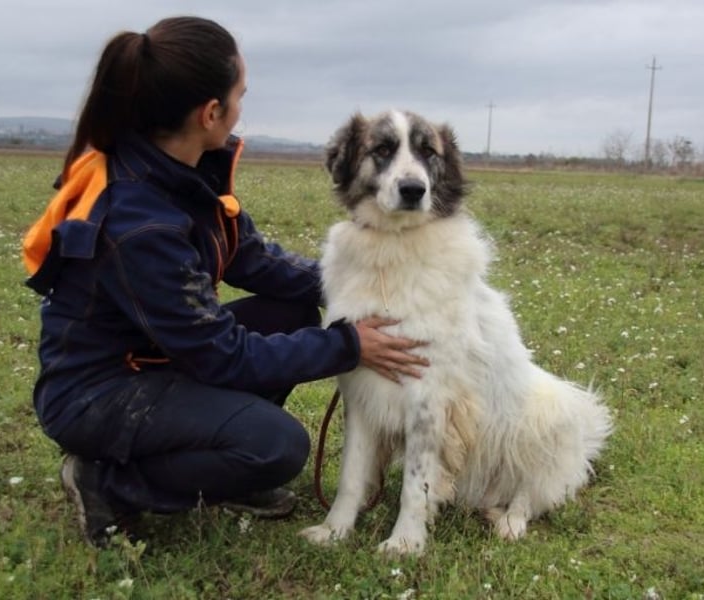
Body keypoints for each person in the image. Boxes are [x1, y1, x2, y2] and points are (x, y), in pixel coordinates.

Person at [22, 15, 429, 548]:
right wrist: (348, 345)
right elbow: (224, 356)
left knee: (290, 308)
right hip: (99, 392)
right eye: (240, 94)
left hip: (157, 356)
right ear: (210, 113)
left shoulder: (189, 170)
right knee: (276, 447)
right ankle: (108, 483)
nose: (242, 106)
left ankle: (221, 466)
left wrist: (363, 284)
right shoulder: (138, 222)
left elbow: (255, 260)